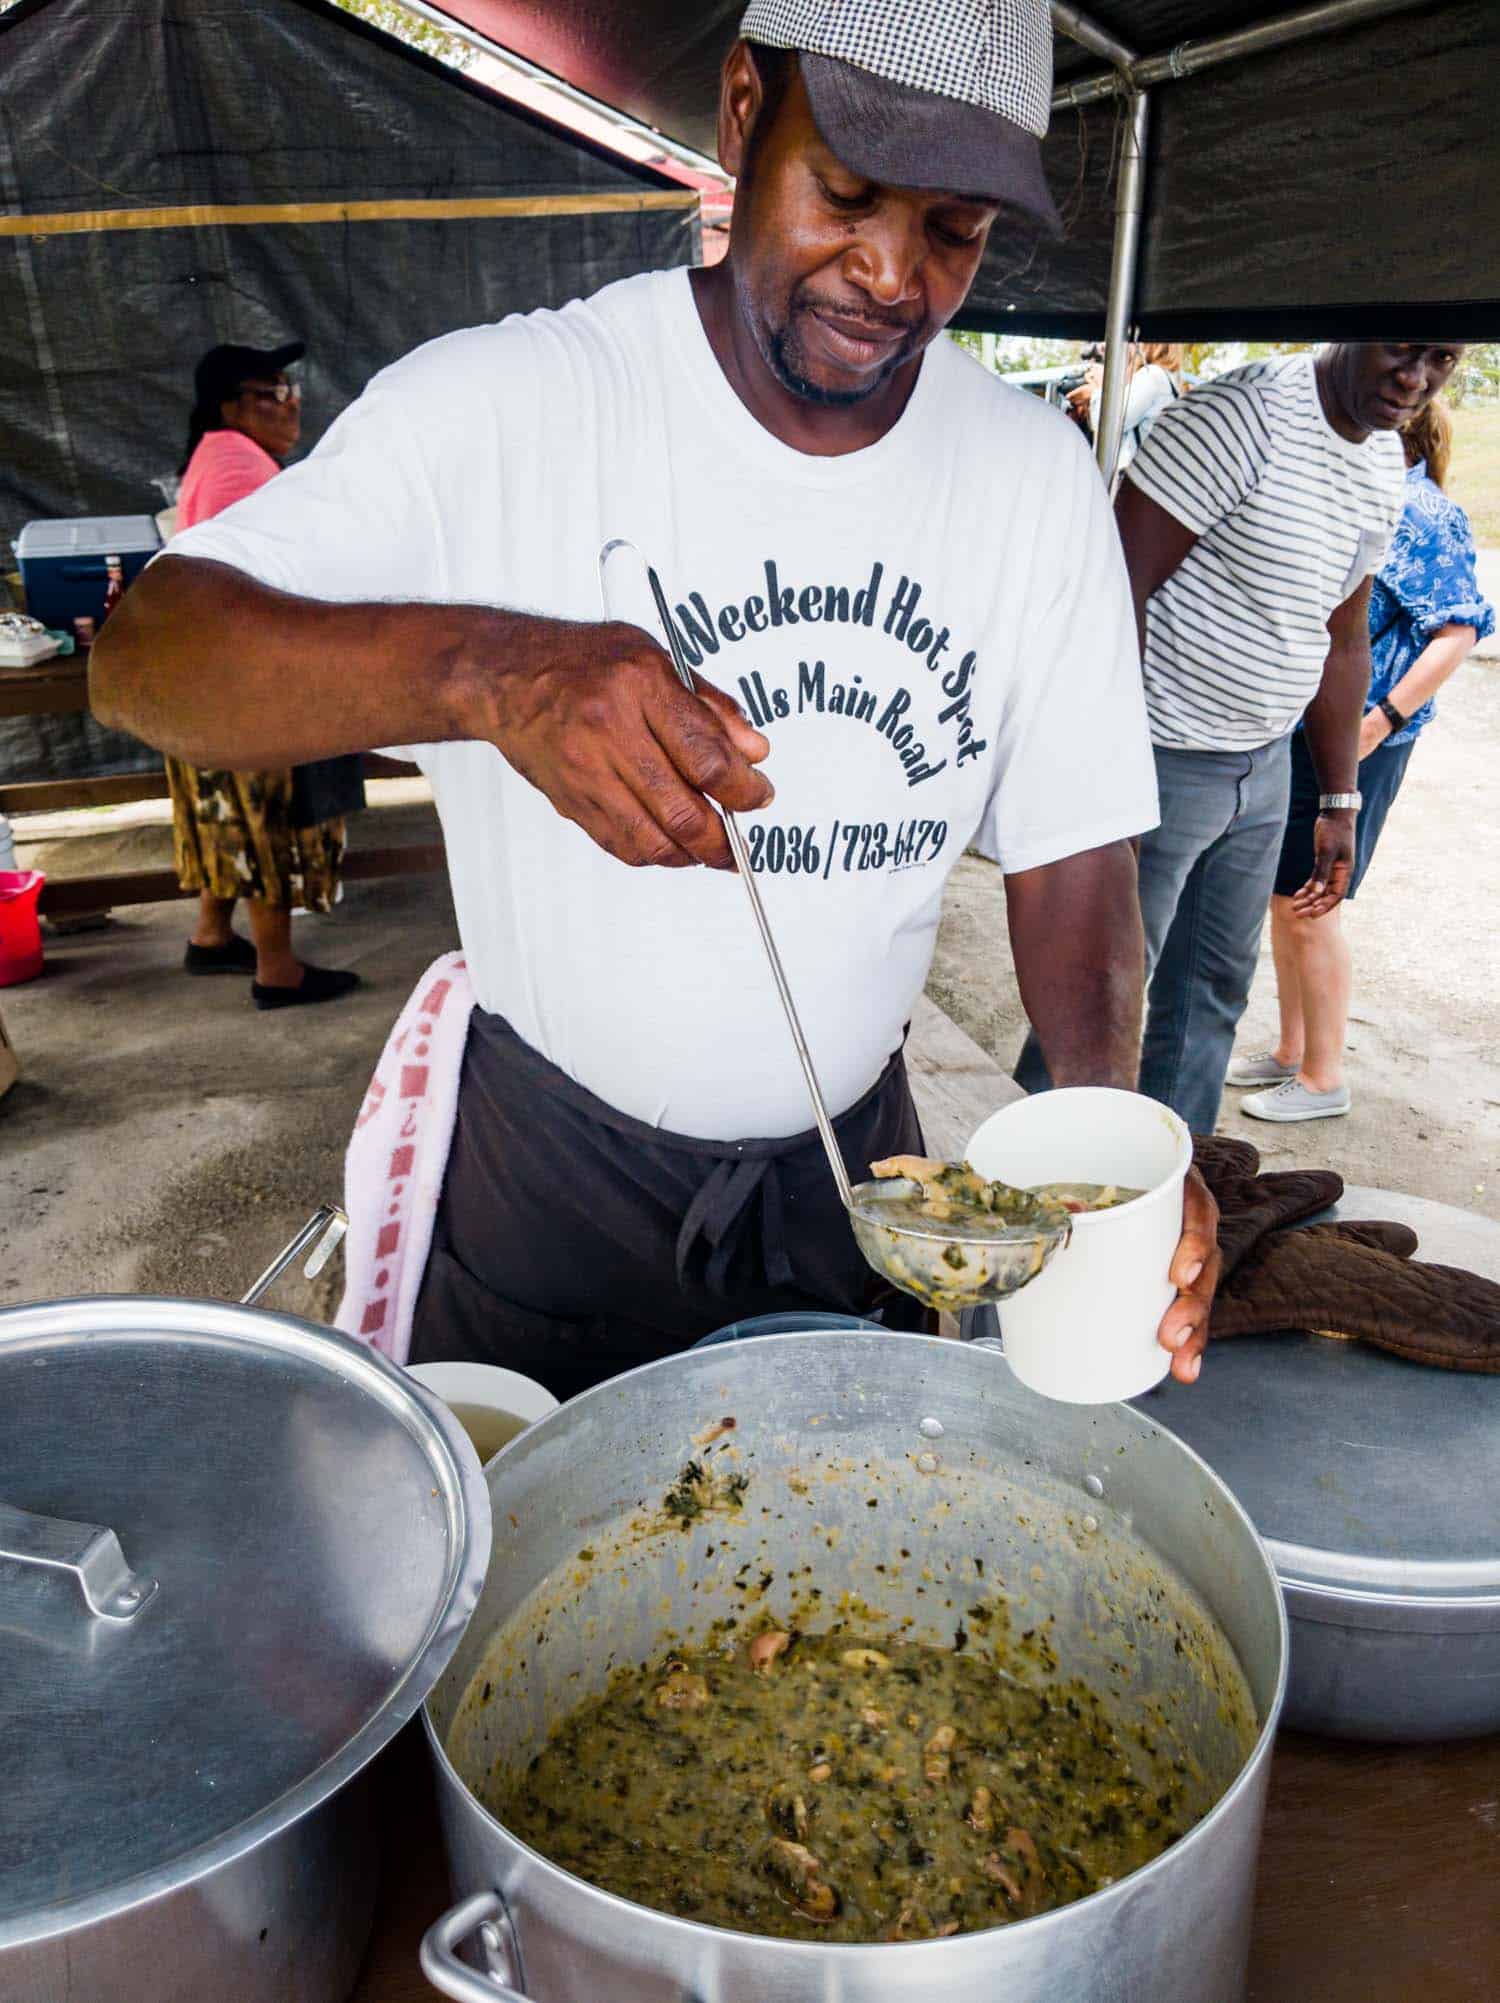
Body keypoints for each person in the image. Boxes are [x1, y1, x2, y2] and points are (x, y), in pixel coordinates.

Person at [94, 0, 1219, 1392]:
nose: (889, 274)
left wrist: (1104, 1144)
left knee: (847, 1581)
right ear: (745, 108)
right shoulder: (511, 405)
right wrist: (489, 672)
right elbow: (148, 651)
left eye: (955, 231)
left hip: (860, 1179)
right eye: (849, 194)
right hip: (551, 1181)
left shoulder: (1031, 478)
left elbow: (1074, 863)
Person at [1019, 341, 1464, 1135]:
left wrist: (1337, 797)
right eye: (1402, 347)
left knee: (1210, 994)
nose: (1416, 377)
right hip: (1155, 757)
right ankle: (1033, 1183)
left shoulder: (1381, 458)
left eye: (1443, 359)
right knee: (1097, 991)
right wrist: (1103, 773)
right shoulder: (1242, 417)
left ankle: (1168, 1186)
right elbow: (1111, 588)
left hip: (1263, 769)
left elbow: (1345, 633)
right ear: (1351, 321)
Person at [1231, 396, 1493, 1120]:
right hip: (1320, 731)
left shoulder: (1422, 511)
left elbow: (1459, 632)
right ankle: (1290, 1051)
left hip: (1362, 740)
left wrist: (1380, 721)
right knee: (1288, 900)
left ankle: (1323, 1077)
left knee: (1314, 905)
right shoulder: (1372, 497)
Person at [167, 341, 362, 1009]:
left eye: (291, 387)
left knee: (225, 812)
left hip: (207, 681)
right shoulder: (236, 469)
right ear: (231, 406)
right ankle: (276, 970)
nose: (292, 402)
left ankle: (213, 937)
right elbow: (254, 587)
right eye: (273, 391)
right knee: (267, 822)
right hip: (244, 683)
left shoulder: (220, 456)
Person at [1067, 342, 1183, 473]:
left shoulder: (1153, 376)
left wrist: (1100, 388)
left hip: (1133, 478)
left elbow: (1107, 422)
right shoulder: (1165, 379)